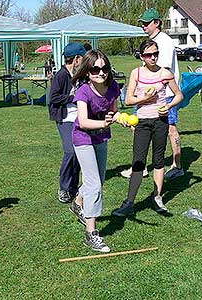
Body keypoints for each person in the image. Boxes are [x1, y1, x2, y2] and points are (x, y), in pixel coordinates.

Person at [112, 40, 183, 217]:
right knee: (138, 162)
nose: (152, 57)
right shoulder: (136, 73)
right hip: (142, 122)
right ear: (141, 56)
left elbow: (179, 95)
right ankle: (129, 202)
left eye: (155, 54)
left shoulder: (165, 73)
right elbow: (128, 100)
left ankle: (157, 198)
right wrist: (144, 97)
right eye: (148, 55)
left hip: (161, 120)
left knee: (159, 161)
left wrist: (169, 105)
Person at [120, 8, 183, 180]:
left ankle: (177, 166)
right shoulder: (153, 41)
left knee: (170, 129)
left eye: (146, 23)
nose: (143, 26)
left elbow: (164, 71)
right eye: (142, 23)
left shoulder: (165, 41)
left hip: (166, 94)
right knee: (138, 126)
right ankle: (141, 166)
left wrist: (152, 91)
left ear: (157, 23)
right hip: (148, 94)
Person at [71, 49, 123, 252]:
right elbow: (83, 122)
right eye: (95, 69)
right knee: (95, 185)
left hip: (101, 137)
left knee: (98, 181)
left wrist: (123, 120)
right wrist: (104, 122)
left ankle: (77, 202)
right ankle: (91, 234)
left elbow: (115, 112)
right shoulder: (83, 91)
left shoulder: (113, 88)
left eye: (105, 68)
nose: (101, 73)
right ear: (87, 71)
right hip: (82, 137)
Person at [49, 43, 86, 219]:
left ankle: (73, 188)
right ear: (76, 58)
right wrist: (73, 97)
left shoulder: (80, 74)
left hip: (79, 118)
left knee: (79, 152)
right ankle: (63, 188)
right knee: (70, 151)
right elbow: (54, 97)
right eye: (82, 58)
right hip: (65, 118)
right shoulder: (61, 75)